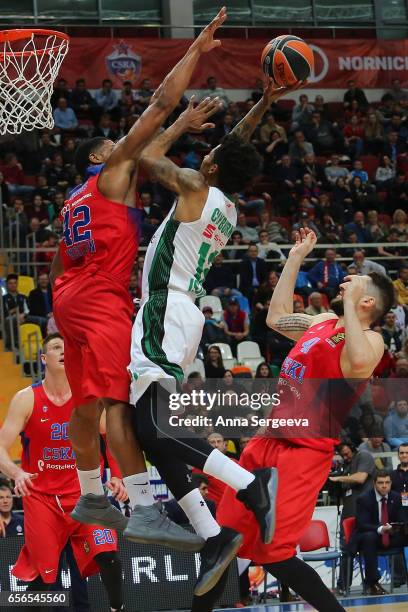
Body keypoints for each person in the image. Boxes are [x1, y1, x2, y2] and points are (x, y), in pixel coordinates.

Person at [50, 9, 228, 549]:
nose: (118, 144)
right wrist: (195, 49)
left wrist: (178, 130)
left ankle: (89, 491)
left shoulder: (72, 203)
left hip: (67, 298)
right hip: (102, 297)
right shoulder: (112, 171)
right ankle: (145, 507)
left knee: (84, 404)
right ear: (101, 157)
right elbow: (157, 108)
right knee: (122, 404)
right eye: (111, 144)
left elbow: (57, 268)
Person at [129, 79, 301, 596]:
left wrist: (179, 122)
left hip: (165, 310)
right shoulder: (223, 204)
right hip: (184, 316)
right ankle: (211, 534)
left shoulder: (195, 187)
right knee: (150, 432)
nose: (205, 154)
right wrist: (265, 103)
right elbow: (231, 151)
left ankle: (250, 485)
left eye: (210, 155)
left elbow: (142, 156)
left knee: (154, 431)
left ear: (213, 168)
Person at [194, 228, 394, 612]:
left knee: (275, 553)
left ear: (367, 300)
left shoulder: (372, 339)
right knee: (222, 541)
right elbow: (276, 317)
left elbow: (357, 363)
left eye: (358, 282)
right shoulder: (321, 322)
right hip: (266, 440)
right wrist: (296, 257)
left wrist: (349, 308)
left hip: (304, 452)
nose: (347, 280)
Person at [0, 334, 126, 611]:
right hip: (43, 499)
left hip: (87, 495)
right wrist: (16, 472)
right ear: (44, 359)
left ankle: (118, 608)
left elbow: (113, 440)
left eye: (68, 348)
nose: (63, 352)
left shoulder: (89, 398)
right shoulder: (26, 399)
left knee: (110, 557)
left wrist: (117, 474)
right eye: (56, 348)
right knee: (45, 577)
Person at [356, 470, 408, 594]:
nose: (384, 486)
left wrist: (398, 527)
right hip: (373, 536)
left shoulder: (396, 497)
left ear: (390, 483)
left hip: (392, 535)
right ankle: (372, 583)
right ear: (375, 483)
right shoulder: (364, 499)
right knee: (369, 537)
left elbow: (402, 519)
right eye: (380, 483)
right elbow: (362, 524)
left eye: (387, 482)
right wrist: (381, 529)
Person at [391, 443, 408, 513]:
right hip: (397, 512)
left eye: (407, 453)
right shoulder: (391, 474)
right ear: (398, 456)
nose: (404, 455)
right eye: (401, 453)